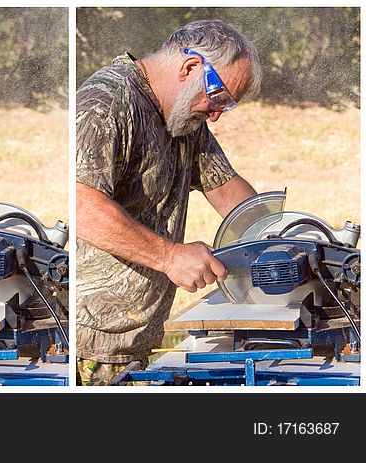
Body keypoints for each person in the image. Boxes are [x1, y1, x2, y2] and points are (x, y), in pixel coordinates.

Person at [75, 19, 262, 385]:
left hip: (136, 340)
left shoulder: (184, 119)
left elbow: (229, 193)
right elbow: (81, 204)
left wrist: (285, 238)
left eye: (227, 105)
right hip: (90, 345)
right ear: (191, 67)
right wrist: (170, 256)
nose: (216, 113)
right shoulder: (108, 101)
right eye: (219, 96)